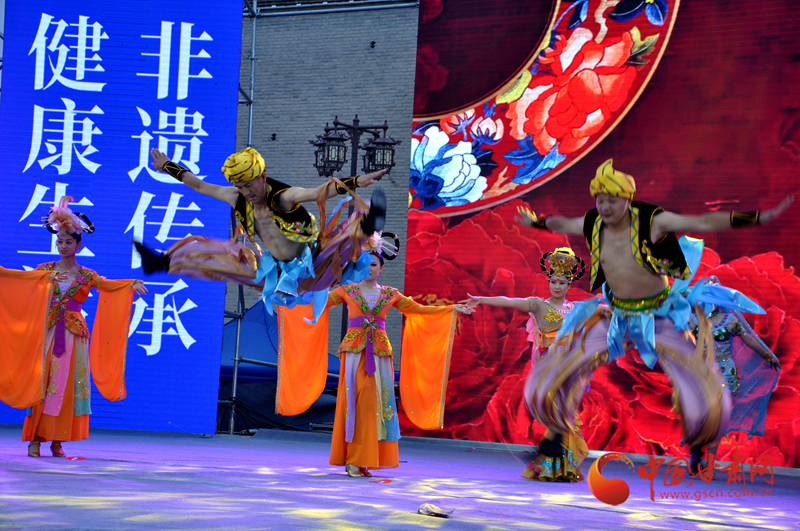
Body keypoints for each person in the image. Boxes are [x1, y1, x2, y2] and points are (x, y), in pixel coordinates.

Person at [516, 158, 793, 473]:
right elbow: (564, 225)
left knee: (697, 382)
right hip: (616, 316)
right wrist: (537, 223)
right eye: (600, 200)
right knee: (562, 367)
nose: (605, 207)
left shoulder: (652, 221)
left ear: (627, 198)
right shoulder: (594, 222)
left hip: (659, 316)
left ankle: (698, 448)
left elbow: (703, 222)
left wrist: (758, 218)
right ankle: (553, 442)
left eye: (612, 200)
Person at [274, 247, 473, 477]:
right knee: (355, 404)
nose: (369, 269)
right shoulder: (347, 290)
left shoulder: (390, 294)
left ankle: (362, 460)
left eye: (373, 264)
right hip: (354, 355)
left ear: (381, 268)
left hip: (379, 356)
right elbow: (318, 302)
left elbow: (418, 310)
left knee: (374, 406)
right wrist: (283, 300)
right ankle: (354, 459)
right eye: (365, 264)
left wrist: (451, 309)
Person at [134, 147, 389, 322]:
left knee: (337, 243)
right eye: (240, 187)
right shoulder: (237, 197)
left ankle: (367, 224)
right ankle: (162, 262)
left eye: (249, 185)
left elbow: (317, 192)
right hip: (274, 272)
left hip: (312, 267)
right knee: (223, 257)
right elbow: (199, 185)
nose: (246, 192)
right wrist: (168, 166)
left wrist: (355, 182)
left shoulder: (283, 197)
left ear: (263, 177)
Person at [0, 197, 146, 457]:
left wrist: (129, 285)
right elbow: (21, 283)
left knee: (67, 385)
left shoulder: (86, 275)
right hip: (47, 333)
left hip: (73, 334)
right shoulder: (44, 270)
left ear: (79, 244)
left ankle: (57, 440)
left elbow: (107, 285)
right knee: (43, 381)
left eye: (68, 242)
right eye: (60, 241)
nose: (63, 246)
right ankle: (35, 439)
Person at [462, 247, 590, 482]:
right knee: (558, 415)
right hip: (549, 369)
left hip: (569, 369)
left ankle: (556, 465)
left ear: (569, 285)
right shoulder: (539, 305)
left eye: (562, 283)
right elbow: (509, 301)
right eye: (553, 281)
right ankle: (549, 457)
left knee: (565, 418)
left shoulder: (575, 309)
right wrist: (481, 299)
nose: (557, 286)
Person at [690, 276, 780, 468]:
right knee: (702, 415)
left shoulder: (729, 321)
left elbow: (749, 339)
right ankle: (697, 450)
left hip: (725, 373)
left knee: (718, 418)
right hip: (701, 373)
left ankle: (707, 461)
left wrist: (767, 355)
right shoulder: (693, 320)